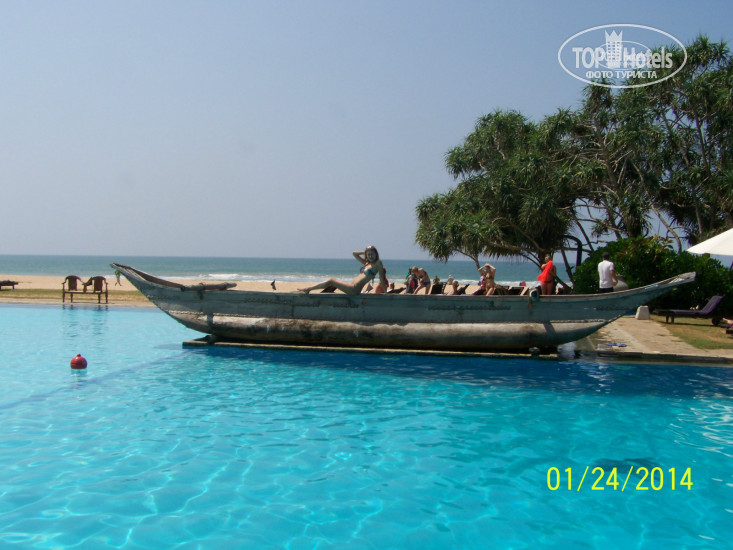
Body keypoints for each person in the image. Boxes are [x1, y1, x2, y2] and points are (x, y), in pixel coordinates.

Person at [299, 246, 387, 295]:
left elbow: (382, 278)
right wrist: (365, 252)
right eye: (368, 254)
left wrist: (386, 292)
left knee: (331, 280)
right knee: (331, 282)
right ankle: (310, 289)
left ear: (376, 254)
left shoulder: (378, 263)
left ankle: (308, 289)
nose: (370, 256)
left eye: (372, 254)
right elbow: (354, 254)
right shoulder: (367, 263)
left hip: (354, 289)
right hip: (351, 286)